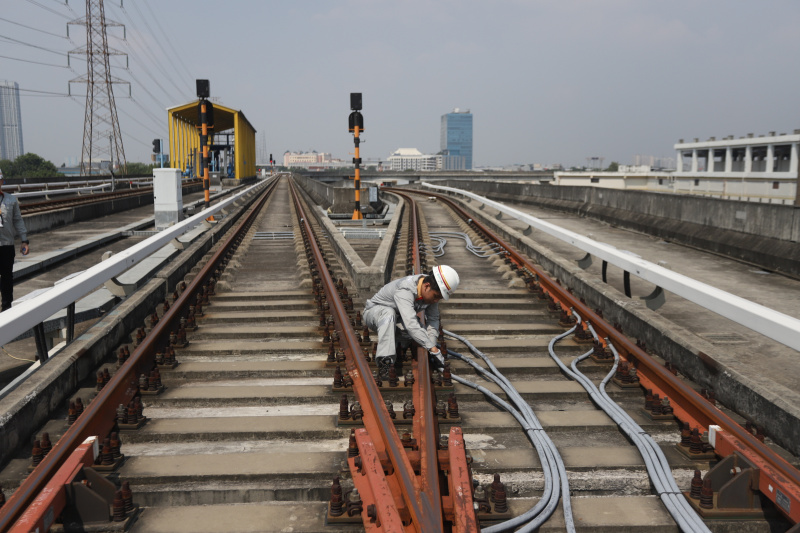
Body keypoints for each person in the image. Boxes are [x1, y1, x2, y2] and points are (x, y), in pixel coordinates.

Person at [363, 265, 460, 377]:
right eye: (436, 296)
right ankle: (385, 362)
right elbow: (410, 324)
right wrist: (432, 349)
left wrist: (432, 345)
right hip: (374, 314)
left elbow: (433, 319)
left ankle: (399, 344)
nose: (436, 300)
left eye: (439, 298)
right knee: (390, 314)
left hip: (397, 318)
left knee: (419, 331)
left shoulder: (431, 288)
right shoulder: (406, 289)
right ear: (426, 286)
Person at [0, 169, 30, 311]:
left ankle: (6, 308)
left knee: (6, 278)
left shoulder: (10, 200)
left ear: (2, 181)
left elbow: (18, 221)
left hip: (6, 246)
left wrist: (24, 240)